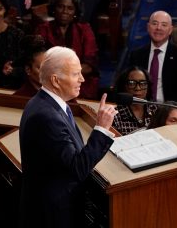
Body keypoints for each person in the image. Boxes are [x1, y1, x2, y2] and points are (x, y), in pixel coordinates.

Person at [18, 47, 115, 228]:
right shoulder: (46, 116)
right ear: (55, 80)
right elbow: (76, 169)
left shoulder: (49, 104)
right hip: (52, 216)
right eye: (75, 74)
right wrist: (101, 128)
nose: (82, 79)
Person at [35, 0, 99, 100]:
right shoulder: (43, 29)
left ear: (75, 12)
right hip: (51, 81)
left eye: (70, 8)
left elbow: (89, 65)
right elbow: (38, 61)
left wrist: (66, 76)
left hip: (79, 82)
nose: (65, 11)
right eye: (60, 6)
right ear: (54, 9)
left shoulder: (84, 30)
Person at [128, 10, 177, 104]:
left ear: (170, 30)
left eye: (164, 25)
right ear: (148, 27)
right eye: (155, 24)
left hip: (169, 109)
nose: (158, 28)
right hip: (141, 106)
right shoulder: (137, 55)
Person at [112, 66, 158, 135]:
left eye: (143, 83)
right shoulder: (115, 115)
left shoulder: (155, 110)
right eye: (132, 83)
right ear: (124, 86)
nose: (138, 88)